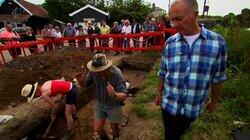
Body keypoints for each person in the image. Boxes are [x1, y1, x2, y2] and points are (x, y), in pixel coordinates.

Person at [154, 0, 227, 140]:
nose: (174, 24)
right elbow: (163, 72)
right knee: (170, 135)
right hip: (168, 105)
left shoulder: (218, 42)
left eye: (179, 19)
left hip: (193, 107)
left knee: (180, 131)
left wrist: (214, 101)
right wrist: (158, 93)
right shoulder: (170, 43)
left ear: (195, 14)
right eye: (172, 20)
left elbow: (218, 77)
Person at [75, 53, 127, 139]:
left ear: (106, 67)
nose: (97, 73)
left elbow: (124, 96)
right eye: (96, 70)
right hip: (101, 103)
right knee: (98, 129)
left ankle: (116, 136)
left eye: (100, 70)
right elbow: (85, 86)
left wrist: (114, 94)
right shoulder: (94, 72)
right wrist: (80, 81)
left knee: (114, 128)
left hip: (114, 104)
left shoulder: (117, 73)